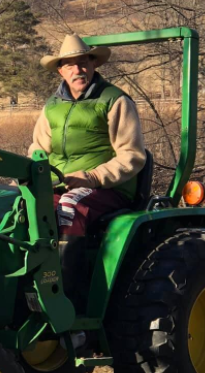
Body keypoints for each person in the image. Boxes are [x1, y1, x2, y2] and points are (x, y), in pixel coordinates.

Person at [28, 34, 147, 308]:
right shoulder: (52, 107)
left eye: (83, 63)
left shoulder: (115, 101)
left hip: (108, 187)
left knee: (69, 208)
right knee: (23, 211)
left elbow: (132, 156)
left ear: (93, 64)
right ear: (61, 70)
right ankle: (30, 294)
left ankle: (70, 304)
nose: (77, 70)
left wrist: (92, 177)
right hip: (61, 184)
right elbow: (37, 151)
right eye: (70, 65)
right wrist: (29, 180)